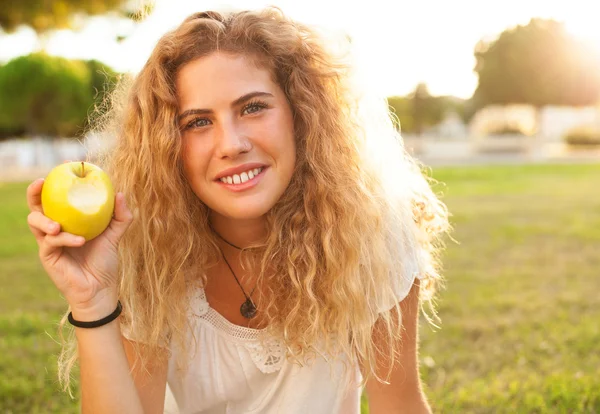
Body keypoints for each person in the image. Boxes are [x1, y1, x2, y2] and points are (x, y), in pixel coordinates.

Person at [26, 6, 450, 414]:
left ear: (301, 114)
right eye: (197, 122)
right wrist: (93, 302)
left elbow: (401, 405)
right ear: (168, 146)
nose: (231, 144)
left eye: (253, 107)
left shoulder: (371, 228)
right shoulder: (146, 250)